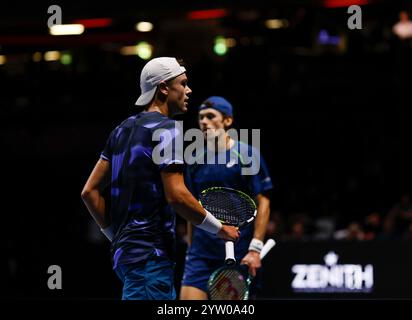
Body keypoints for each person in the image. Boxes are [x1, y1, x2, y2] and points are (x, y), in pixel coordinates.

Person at [81, 58, 239, 300]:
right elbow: (177, 196)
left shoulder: (121, 130)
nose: (189, 90)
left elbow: (89, 192)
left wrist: (119, 237)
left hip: (128, 258)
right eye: (183, 84)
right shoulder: (167, 129)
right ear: (164, 87)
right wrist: (219, 229)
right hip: (149, 259)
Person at [179, 96, 274, 300]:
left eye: (210, 116)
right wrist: (190, 248)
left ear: (227, 121)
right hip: (201, 254)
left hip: (239, 253)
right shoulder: (194, 160)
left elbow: (263, 201)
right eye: (201, 117)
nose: (203, 121)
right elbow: (191, 207)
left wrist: (255, 248)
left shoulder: (246, 154)